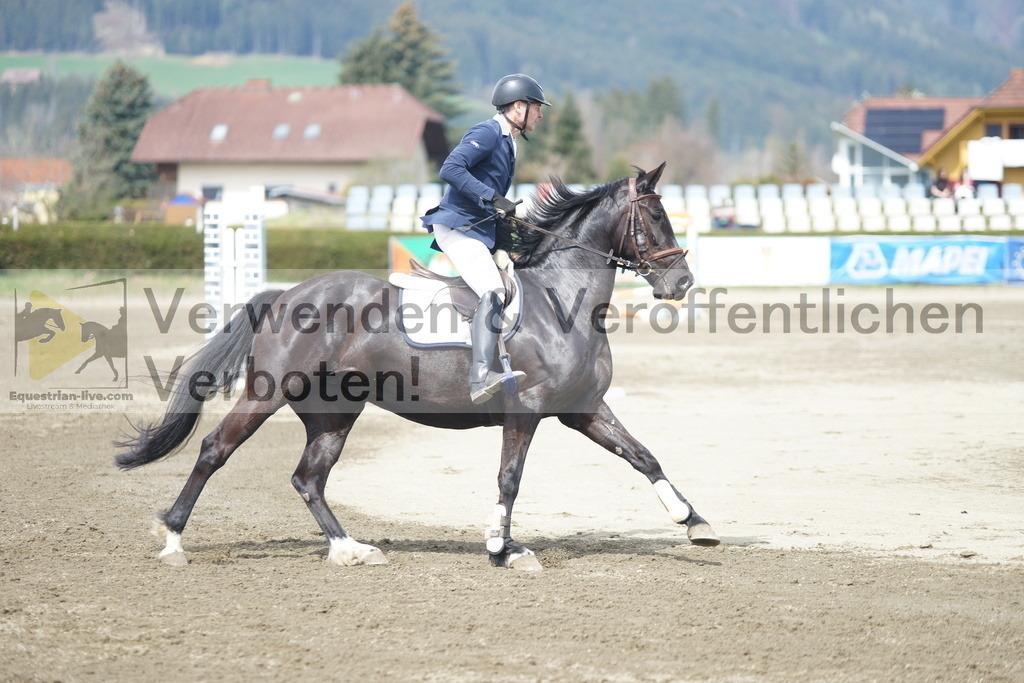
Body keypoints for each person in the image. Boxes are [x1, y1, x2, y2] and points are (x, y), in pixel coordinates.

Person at [420, 74, 551, 404]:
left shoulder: (509, 140)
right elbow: (451, 168)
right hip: (459, 226)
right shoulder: (488, 132)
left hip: (479, 230)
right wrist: (492, 197)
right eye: (537, 108)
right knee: (492, 289)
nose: (540, 114)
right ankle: (479, 376)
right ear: (518, 107)